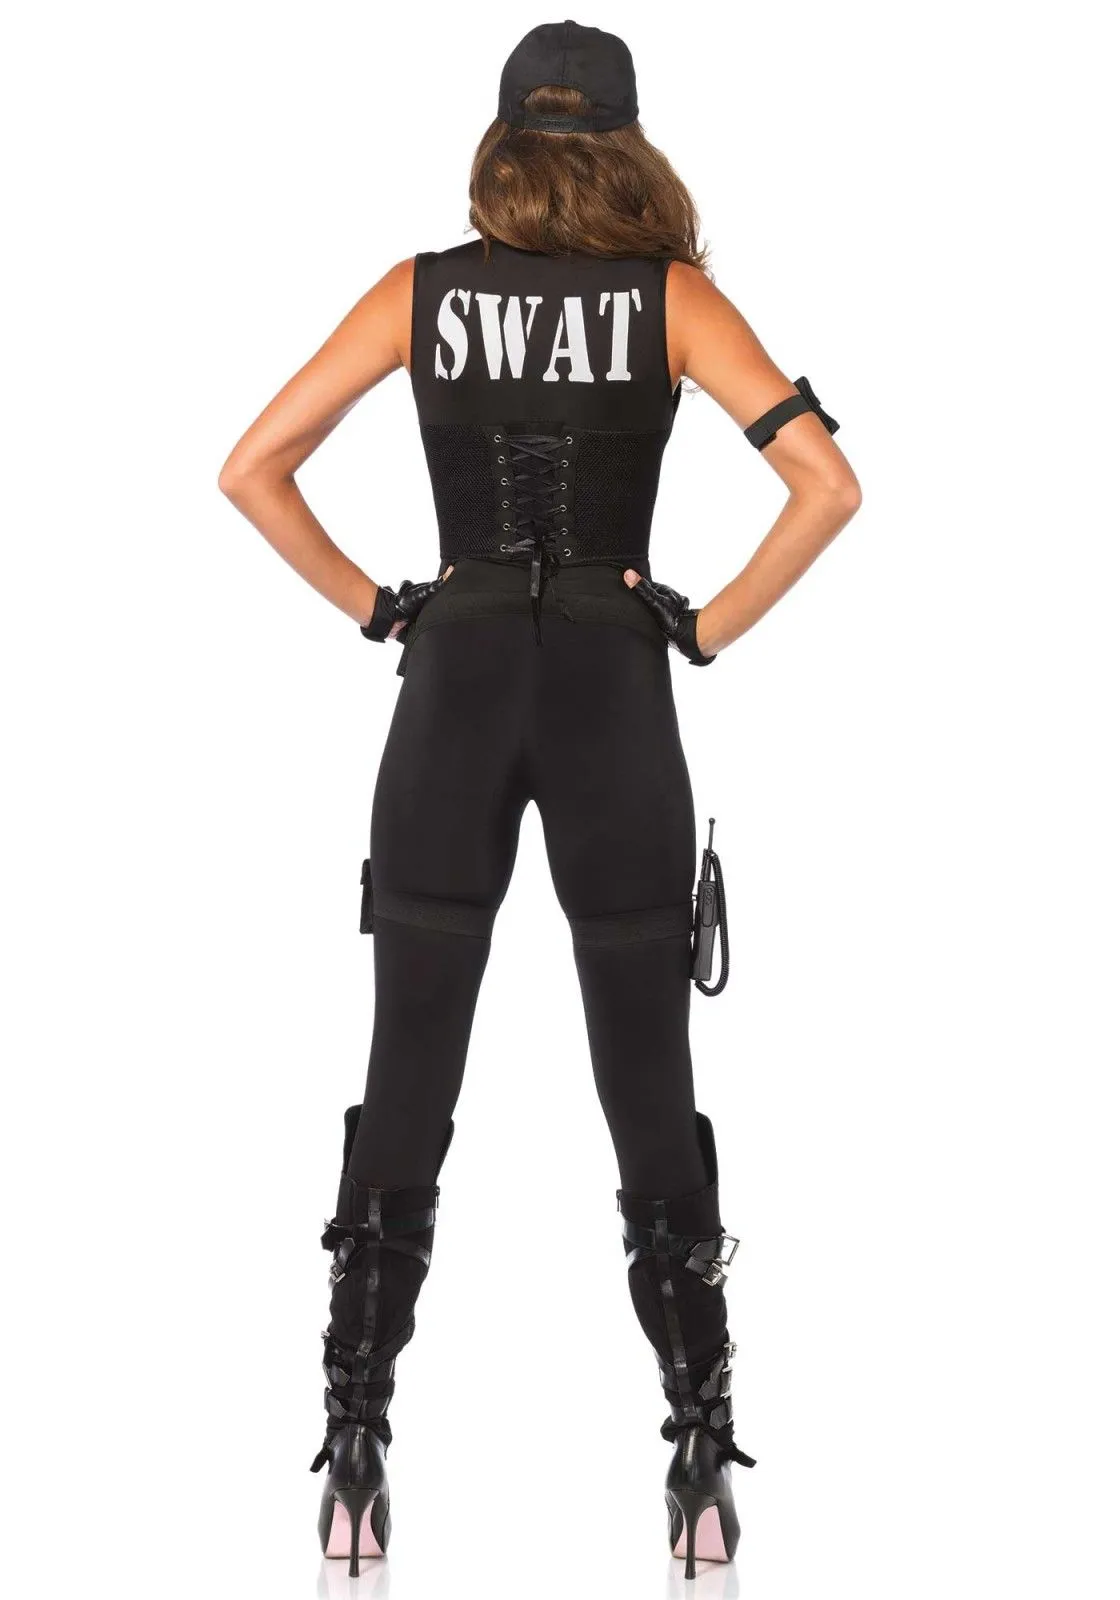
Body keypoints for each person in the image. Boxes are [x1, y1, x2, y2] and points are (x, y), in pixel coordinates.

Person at [219, 19, 861, 1581]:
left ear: (504, 141)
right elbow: (829, 486)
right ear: (629, 147)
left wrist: (387, 607)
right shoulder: (672, 302)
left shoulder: (420, 295)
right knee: (649, 1084)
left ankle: (354, 1448)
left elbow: (251, 468)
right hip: (611, 697)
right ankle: (700, 1459)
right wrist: (700, 626)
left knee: (407, 1076)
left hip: (449, 695)